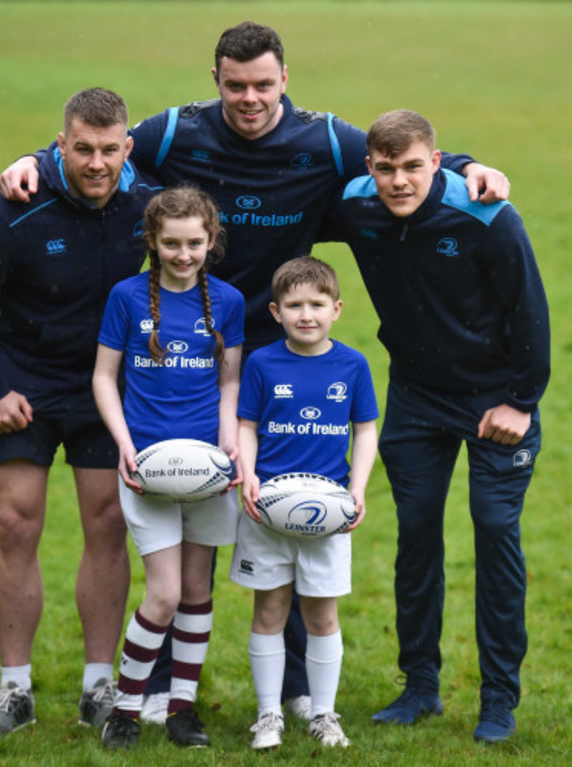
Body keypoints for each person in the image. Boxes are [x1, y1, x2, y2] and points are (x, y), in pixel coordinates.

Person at [0, 21, 511, 723]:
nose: (249, 98)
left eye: (263, 84)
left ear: (285, 80)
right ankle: (163, 696)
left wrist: (471, 167)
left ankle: (297, 686)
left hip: (282, 354)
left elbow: (403, 155)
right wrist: (33, 161)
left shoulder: (323, 137)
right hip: (190, 347)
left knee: (298, 504)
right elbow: (100, 150)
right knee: (185, 518)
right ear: (216, 82)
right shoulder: (176, 131)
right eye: (235, 85)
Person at [0, 88, 162, 734]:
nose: (97, 163)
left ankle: (100, 686)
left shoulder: (145, 200)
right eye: (82, 149)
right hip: (22, 383)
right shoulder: (14, 208)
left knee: (107, 524)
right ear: (60, 145)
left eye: (109, 150)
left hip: (104, 386)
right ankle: (14, 691)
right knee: (15, 523)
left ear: (127, 147)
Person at [323, 109, 550, 743]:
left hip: (495, 399)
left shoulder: (487, 217)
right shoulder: (355, 206)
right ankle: (419, 685)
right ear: (369, 167)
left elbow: (530, 311)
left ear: (436, 161)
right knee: (416, 533)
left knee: (495, 530)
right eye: (386, 168)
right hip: (417, 397)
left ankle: (498, 699)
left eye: (415, 167)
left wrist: (521, 402)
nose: (399, 182)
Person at [92, 185, 245, 750]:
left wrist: (229, 439)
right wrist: (126, 445)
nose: (184, 254)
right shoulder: (127, 297)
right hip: (146, 469)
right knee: (163, 595)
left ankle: (182, 709)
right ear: (153, 242)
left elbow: (229, 380)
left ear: (211, 241)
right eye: (172, 244)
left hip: (207, 470)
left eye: (195, 243)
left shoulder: (226, 301)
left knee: (197, 591)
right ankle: (126, 710)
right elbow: (104, 378)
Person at [230, 256, 379, 750]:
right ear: (276, 312)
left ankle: (323, 713)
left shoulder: (352, 365)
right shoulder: (263, 363)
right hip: (267, 508)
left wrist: (356, 491)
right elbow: (246, 427)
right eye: (294, 306)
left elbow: (364, 431)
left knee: (322, 615)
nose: (306, 315)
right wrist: (248, 477)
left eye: (317, 304)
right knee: (269, 610)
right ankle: (268, 714)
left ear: (336, 309)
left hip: (328, 512)